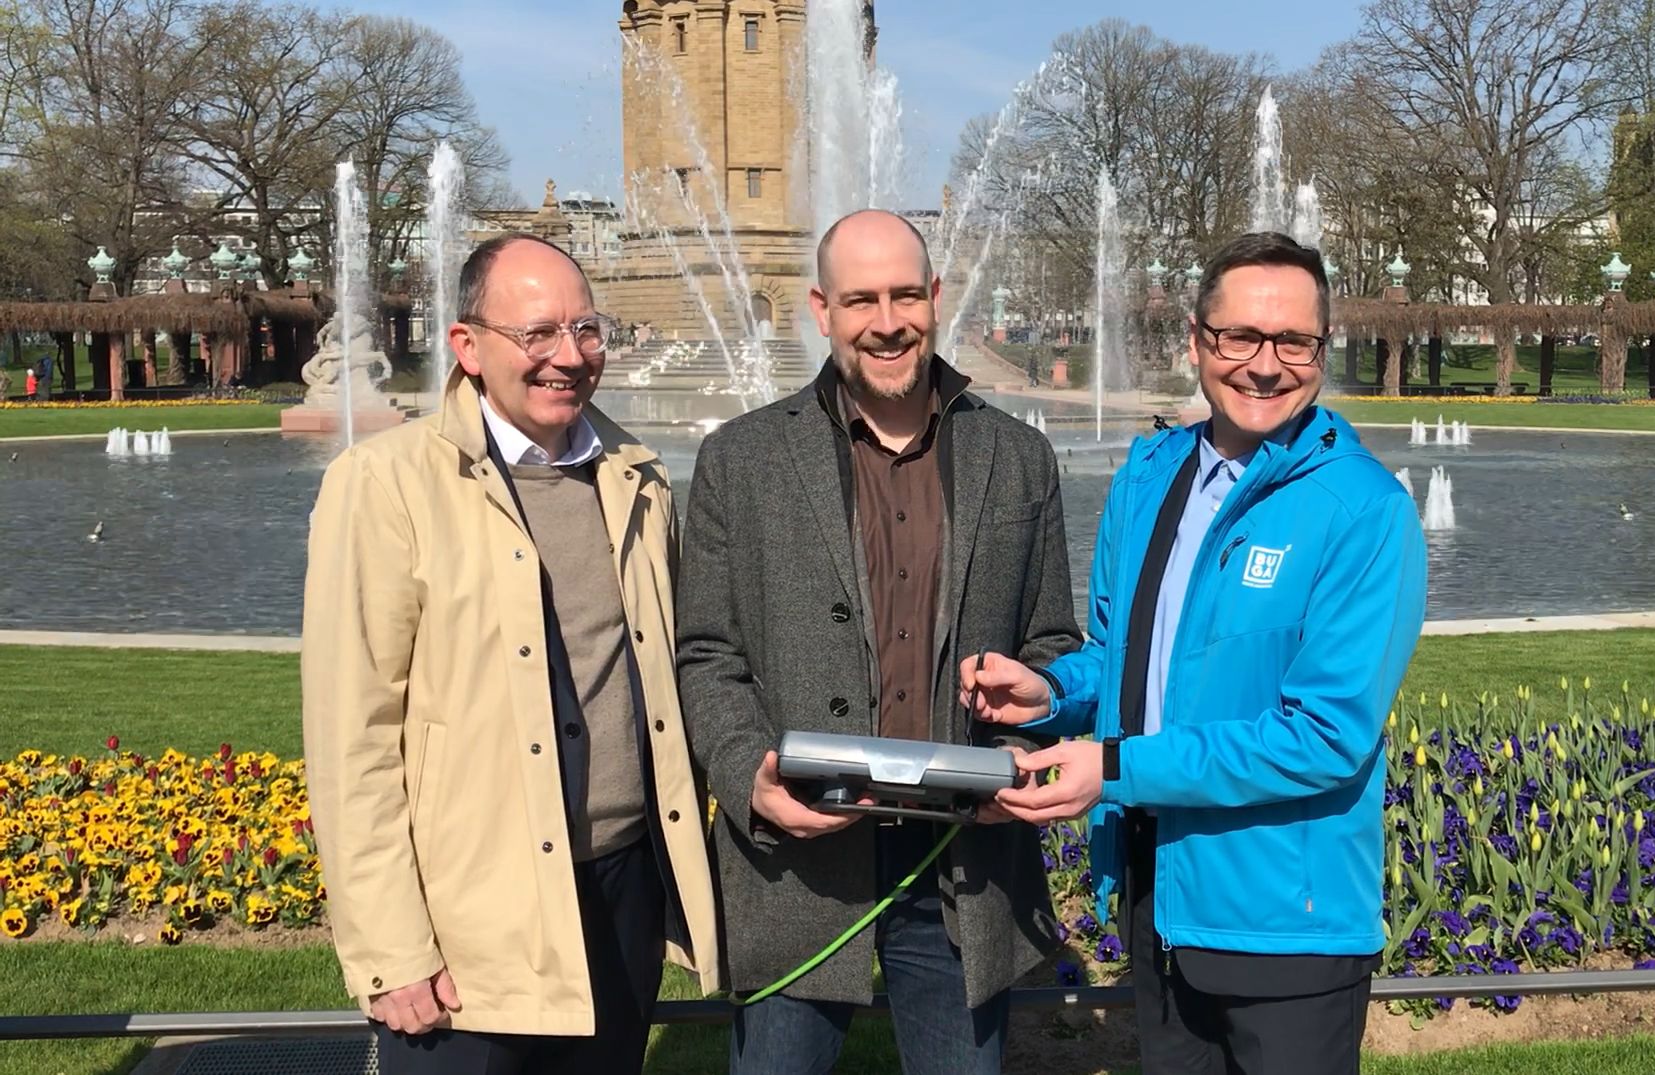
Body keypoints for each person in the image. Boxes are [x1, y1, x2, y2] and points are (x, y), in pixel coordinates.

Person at [970, 232, 1428, 1074]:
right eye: (1239, 337)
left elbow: (1322, 737)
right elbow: (1124, 659)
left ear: (1322, 349)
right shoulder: (1149, 475)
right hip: (1160, 896)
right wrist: (1046, 692)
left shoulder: (1364, 511)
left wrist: (1107, 768)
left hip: (1290, 923)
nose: (1265, 363)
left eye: (1293, 340)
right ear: (1196, 341)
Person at [676, 208, 1082, 1075]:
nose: (887, 320)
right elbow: (707, 652)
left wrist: (1018, 735)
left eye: (905, 294)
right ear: (822, 310)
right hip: (798, 853)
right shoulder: (740, 461)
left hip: (961, 860)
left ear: (935, 298)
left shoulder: (1016, 457)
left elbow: (1050, 640)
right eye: (861, 299)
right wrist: (747, 772)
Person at [302, 232, 719, 1074]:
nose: (568, 356)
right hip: (470, 927)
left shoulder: (636, 476)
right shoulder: (384, 484)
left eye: (585, 329)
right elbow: (353, 737)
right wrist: (391, 948)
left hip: (620, 890)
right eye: (537, 333)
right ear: (467, 346)